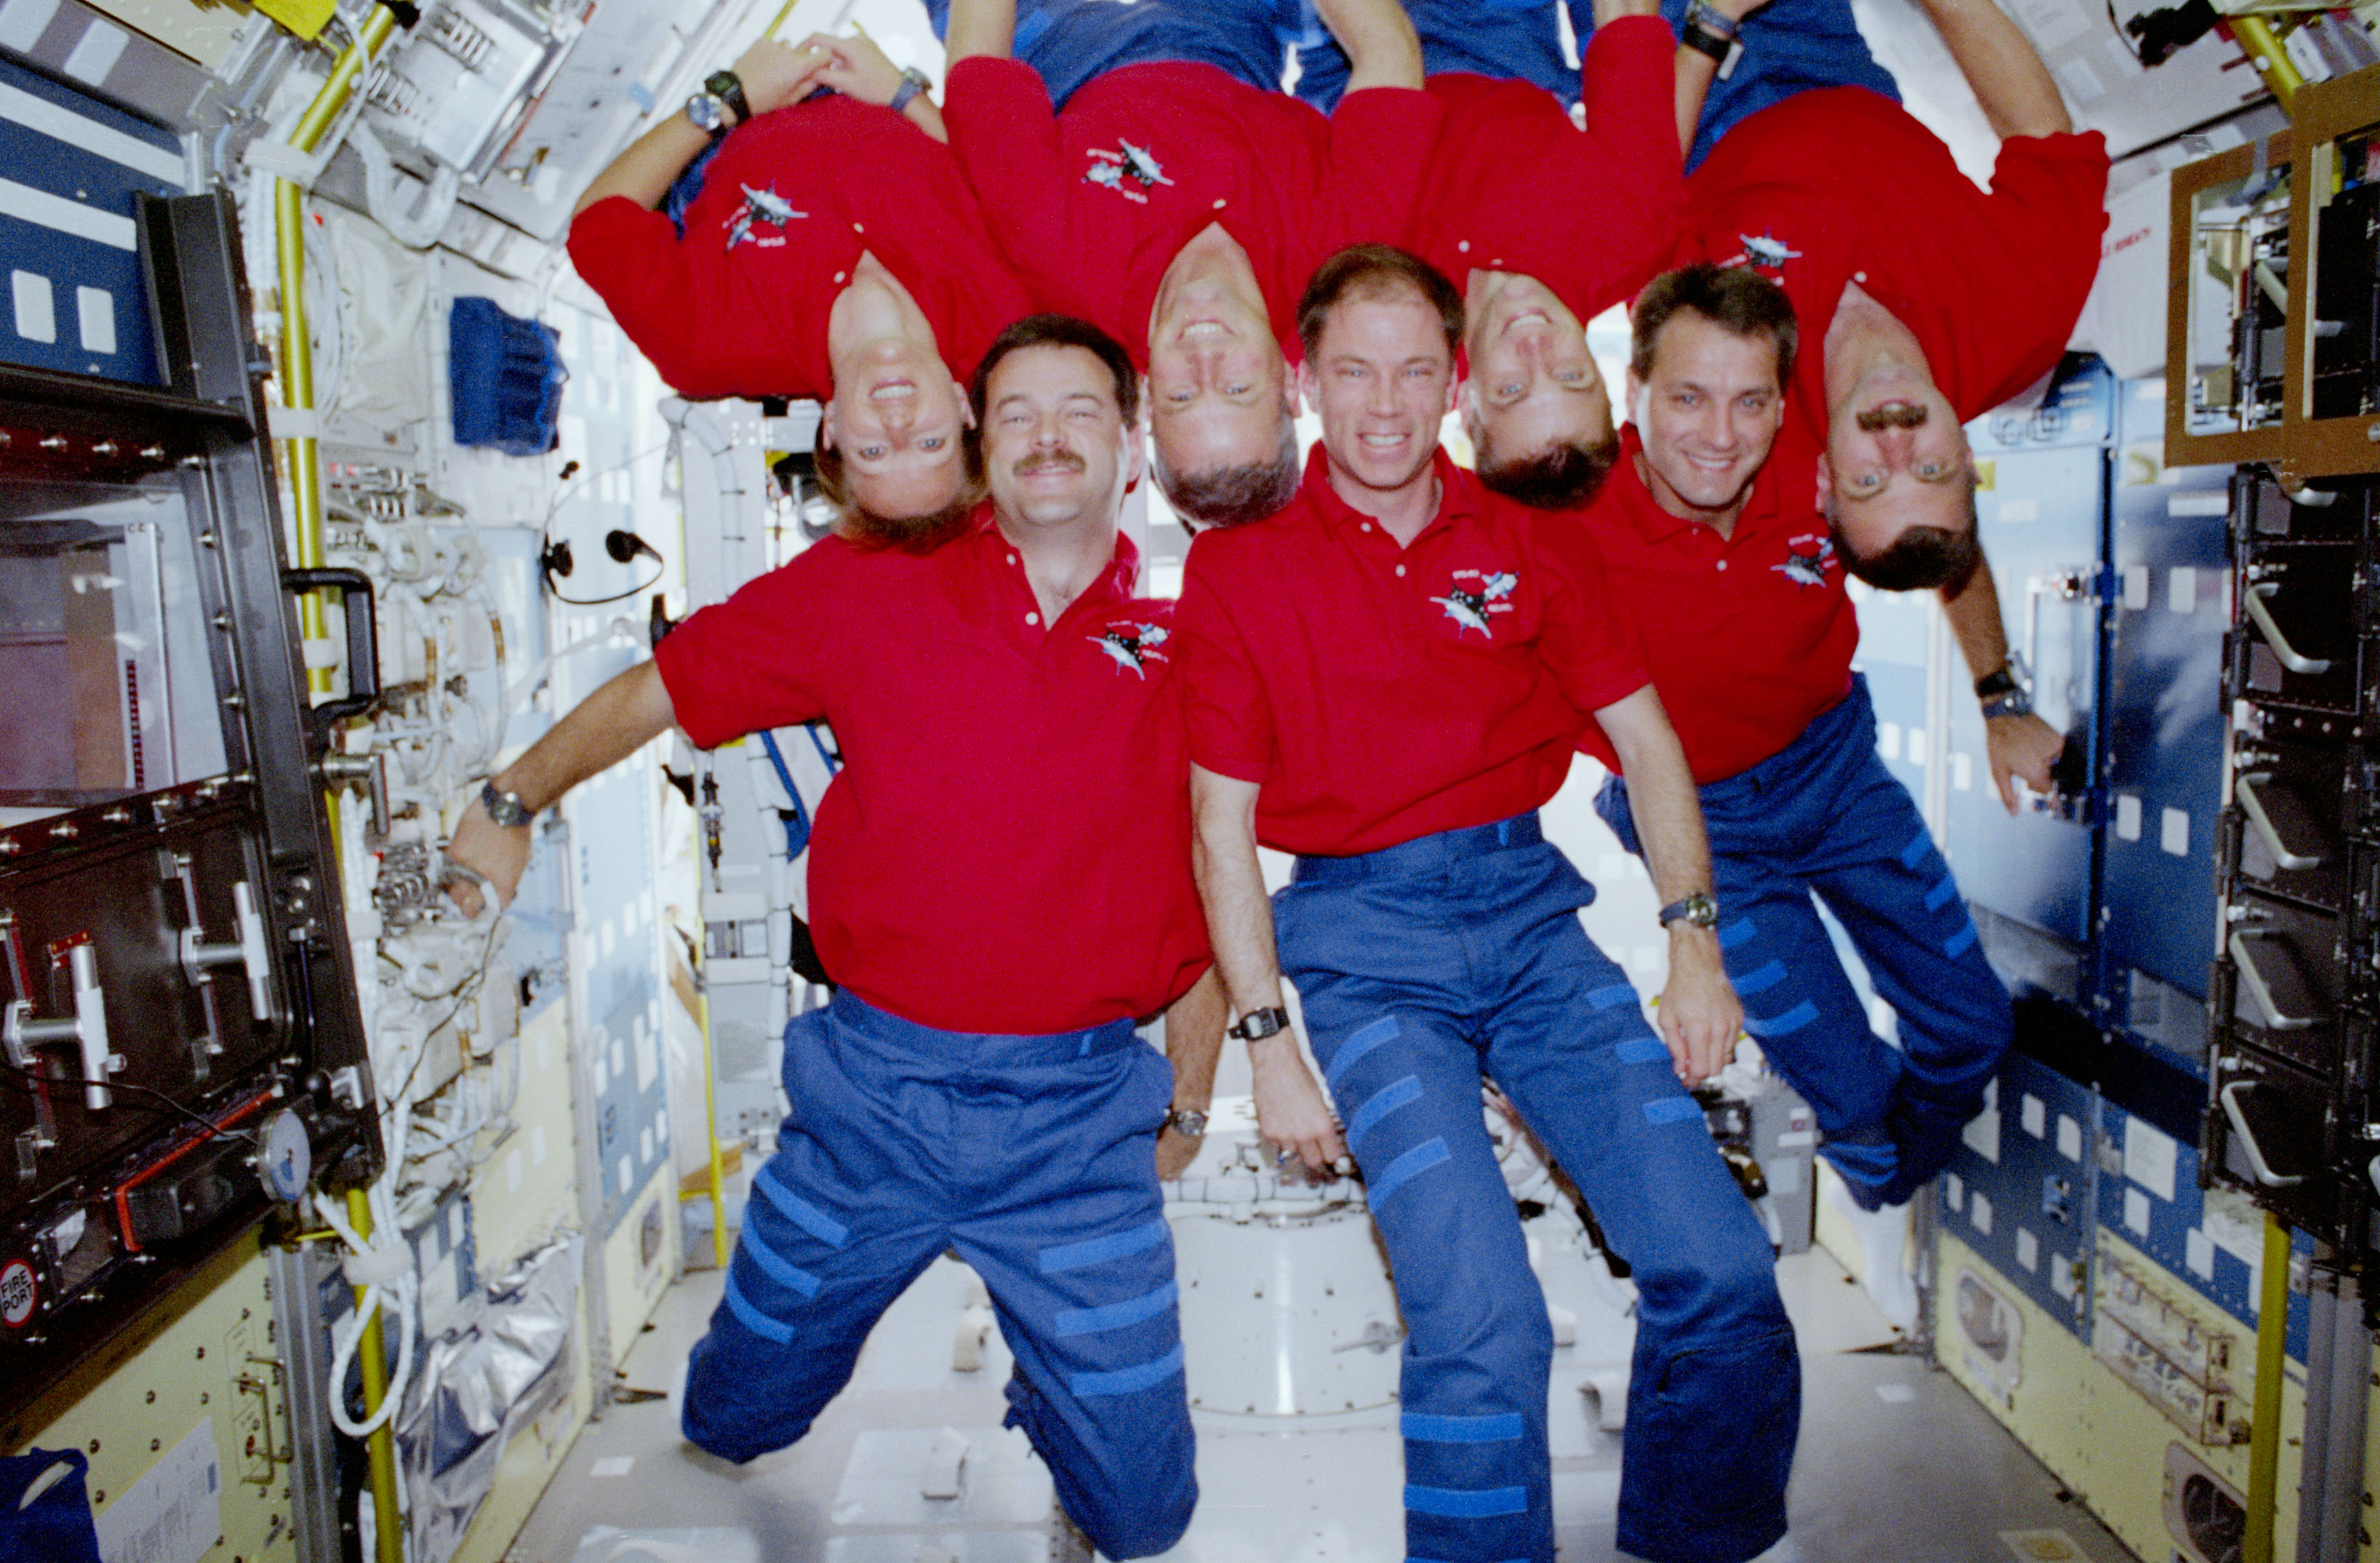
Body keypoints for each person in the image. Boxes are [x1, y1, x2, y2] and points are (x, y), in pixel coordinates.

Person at [445, 314, 1221, 1559]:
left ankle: (1057, 1387)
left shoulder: (1192, 639)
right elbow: (671, 682)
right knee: (729, 1416)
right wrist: (510, 797)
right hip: (873, 1102)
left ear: (1132, 446)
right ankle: (795, 1337)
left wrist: (1188, 1096)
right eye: (1014, 410)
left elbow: (1216, 880)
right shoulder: (869, 588)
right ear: (976, 440)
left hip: (1077, 1122)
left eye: (1082, 408)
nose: (1047, 435)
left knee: (1142, 1515)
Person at [1176, 244, 1797, 1563]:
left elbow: (1647, 742)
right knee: (1480, 1318)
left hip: (1530, 926)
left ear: (1458, 382)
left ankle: (1696, 1535)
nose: (1385, 404)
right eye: (1352, 371)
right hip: (1359, 946)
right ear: (1303, 382)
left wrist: (1695, 946)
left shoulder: (1530, 546)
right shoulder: (1240, 574)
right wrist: (1267, 1040)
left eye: (1414, 370)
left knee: (1727, 1274)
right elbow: (1218, 826)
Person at [1581, 263, 2036, 1327]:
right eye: (1686, 397)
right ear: (1634, 388)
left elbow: (1944, 547)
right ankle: (1874, 1157)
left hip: (1835, 778)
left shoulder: (1826, 468)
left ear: (1786, 404)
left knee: (1975, 1031)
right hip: (1708, 830)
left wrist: (2000, 696)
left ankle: (1883, 1168)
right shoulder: (1573, 513)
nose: (1717, 435)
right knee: (1850, 1095)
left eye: (1749, 402)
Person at [936, 0, 1441, 527]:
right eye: (1237, 389)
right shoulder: (1341, 272)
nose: (1206, 360)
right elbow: (1389, 56)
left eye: (1182, 395)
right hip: (1238, 33)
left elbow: (979, 68)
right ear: (1292, 387)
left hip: (1058, 36)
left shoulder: (1065, 274)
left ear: (1149, 401)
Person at [1674, 0, 2109, 588]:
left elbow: (1636, 215)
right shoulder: (2026, 321)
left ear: (1826, 480)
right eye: (1932, 469)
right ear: (1969, 462)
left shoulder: (1737, 396)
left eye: (1870, 481)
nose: (1896, 444)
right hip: (1831, 55)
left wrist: (1712, 27)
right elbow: (2047, 141)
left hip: (1690, 102)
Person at [565, 35, 1031, 542]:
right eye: (930, 443)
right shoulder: (1010, 317)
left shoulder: (706, 350)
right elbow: (989, 182)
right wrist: (901, 95)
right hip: (885, 71)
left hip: (738, 93)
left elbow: (599, 227)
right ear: (964, 409)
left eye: (873, 452)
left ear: (831, 431)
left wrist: (731, 98)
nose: (898, 424)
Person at [1397, 0, 1680, 508]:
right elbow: (1627, 30)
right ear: (1602, 371)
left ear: (1461, 404)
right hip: (1500, 46)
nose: (1536, 348)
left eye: (1511, 389)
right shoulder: (1632, 238)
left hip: (1348, 74)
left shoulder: (1389, 307)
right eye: (1572, 376)